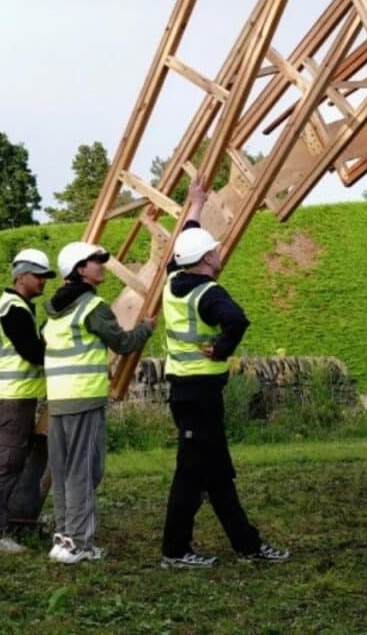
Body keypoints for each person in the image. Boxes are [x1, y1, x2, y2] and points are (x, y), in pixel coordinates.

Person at [160, 180, 289, 568]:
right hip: (200, 395)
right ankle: (175, 551)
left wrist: (196, 204)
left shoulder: (172, 280)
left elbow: (185, 238)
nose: (219, 254)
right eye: (215, 252)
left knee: (216, 475)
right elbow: (237, 320)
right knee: (191, 476)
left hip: (184, 392)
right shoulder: (208, 293)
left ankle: (248, 545)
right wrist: (220, 348)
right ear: (204, 261)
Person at [43, 241, 155, 564]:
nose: (102, 266)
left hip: (59, 399)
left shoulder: (53, 310)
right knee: (85, 470)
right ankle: (79, 543)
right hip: (84, 399)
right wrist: (145, 329)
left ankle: (64, 538)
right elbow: (122, 343)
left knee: (64, 473)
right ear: (81, 270)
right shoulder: (92, 307)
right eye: (96, 262)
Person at [0, 248, 55, 554]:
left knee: (11, 463)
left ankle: (5, 524)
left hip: (18, 396)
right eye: (38, 276)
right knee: (7, 464)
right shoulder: (13, 309)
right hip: (13, 397)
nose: (43, 282)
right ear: (21, 275)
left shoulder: (20, 306)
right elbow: (34, 352)